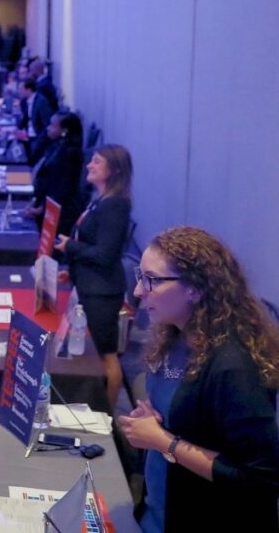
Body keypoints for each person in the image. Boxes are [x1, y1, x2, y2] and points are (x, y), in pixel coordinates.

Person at [119, 226, 279, 533]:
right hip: (160, 510)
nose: (139, 291)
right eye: (141, 277)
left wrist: (163, 440)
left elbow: (262, 478)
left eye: (152, 280)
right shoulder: (175, 336)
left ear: (195, 289)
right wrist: (155, 422)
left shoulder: (234, 367)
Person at [54, 144, 134, 412]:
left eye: (97, 162)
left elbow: (105, 254)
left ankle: (108, 416)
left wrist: (70, 248)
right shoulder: (100, 199)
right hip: (88, 284)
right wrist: (72, 267)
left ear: (114, 170)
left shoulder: (115, 206)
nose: (89, 165)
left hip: (102, 292)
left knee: (107, 355)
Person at [23, 110, 85, 235]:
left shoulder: (71, 153)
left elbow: (63, 188)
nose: (48, 128)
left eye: (52, 125)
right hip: (46, 204)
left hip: (60, 215)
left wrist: (41, 209)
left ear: (64, 130)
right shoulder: (56, 145)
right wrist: (36, 201)